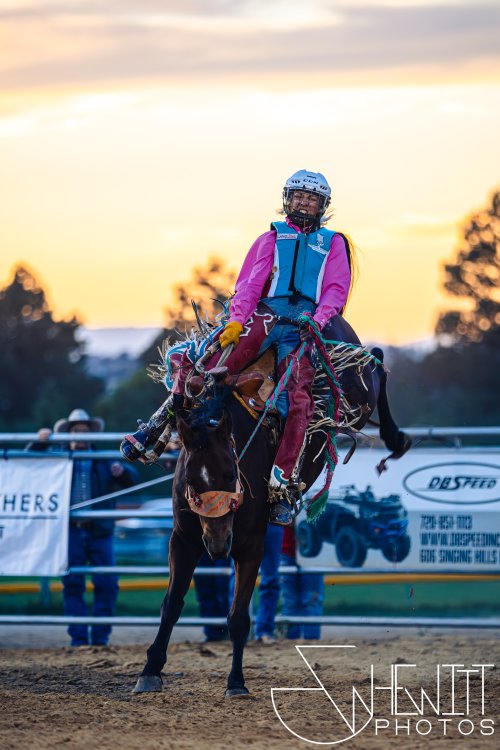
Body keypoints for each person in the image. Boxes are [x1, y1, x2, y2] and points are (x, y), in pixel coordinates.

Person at [121, 169, 354, 526]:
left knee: (299, 400)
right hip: (265, 314)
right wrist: (235, 322)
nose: (304, 203)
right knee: (207, 365)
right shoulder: (270, 239)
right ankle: (158, 427)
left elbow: (336, 290)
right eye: (298, 196)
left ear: (323, 205)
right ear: (286, 200)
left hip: (306, 323)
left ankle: (281, 486)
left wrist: (319, 322)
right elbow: (249, 284)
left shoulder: (333, 243)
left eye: (311, 198)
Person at [29, 409, 138, 647]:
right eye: (75, 431)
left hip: (100, 531)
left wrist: (122, 471)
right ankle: (78, 639)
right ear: (67, 434)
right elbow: (28, 462)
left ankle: (99, 639)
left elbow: (132, 477)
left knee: (107, 584)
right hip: (71, 531)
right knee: (73, 583)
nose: (80, 435)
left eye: (84, 431)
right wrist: (40, 441)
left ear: (91, 435)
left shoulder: (104, 458)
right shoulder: (58, 459)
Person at [280, 525, 324, 640]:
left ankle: (309, 643)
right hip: (291, 551)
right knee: (293, 603)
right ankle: (295, 644)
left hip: (310, 553)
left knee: (309, 602)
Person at [254, 524, 284, 644]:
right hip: (243, 523)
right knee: (237, 578)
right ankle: (237, 630)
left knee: (270, 579)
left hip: (271, 521)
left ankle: (264, 631)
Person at [193, 551, 232, 642]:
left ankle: (226, 629)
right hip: (199, 543)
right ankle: (212, 632)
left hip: (220, 541)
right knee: (204, 589)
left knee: (223, 585)